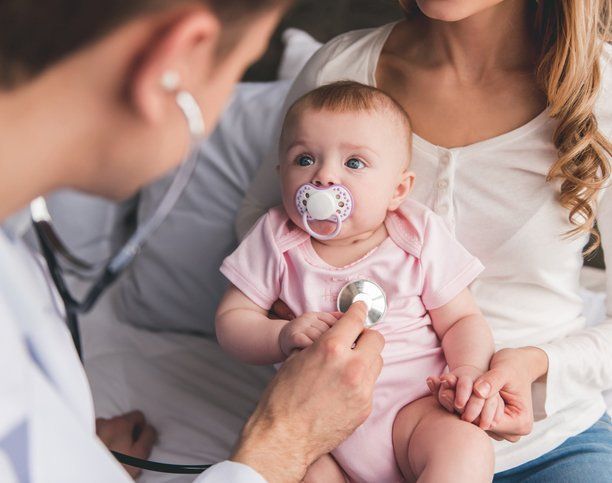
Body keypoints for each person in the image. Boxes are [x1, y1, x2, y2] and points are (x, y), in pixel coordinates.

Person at [0, 1, 385, 482]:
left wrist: (73, 458)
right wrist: (285, 438)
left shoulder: (18, 263)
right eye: (239, 68)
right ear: (173, 64)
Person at [238, 0, 612, 480]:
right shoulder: (341, 70)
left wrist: (536, 365)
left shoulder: (600, 93)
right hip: (341, 440)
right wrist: (291, 318)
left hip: (548, 443)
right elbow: (260, 222)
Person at [216, 80, 499, 482]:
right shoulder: (276, 238)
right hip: (316, 429)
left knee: (465, 446)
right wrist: (279, 335)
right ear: (281, 176)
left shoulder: (416, 235)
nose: (324, 177)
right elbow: (233, 320)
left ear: (397, 190)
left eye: (354, 163)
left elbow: (460, 320)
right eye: (304, 159)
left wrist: (468, 369)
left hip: (415, 411)